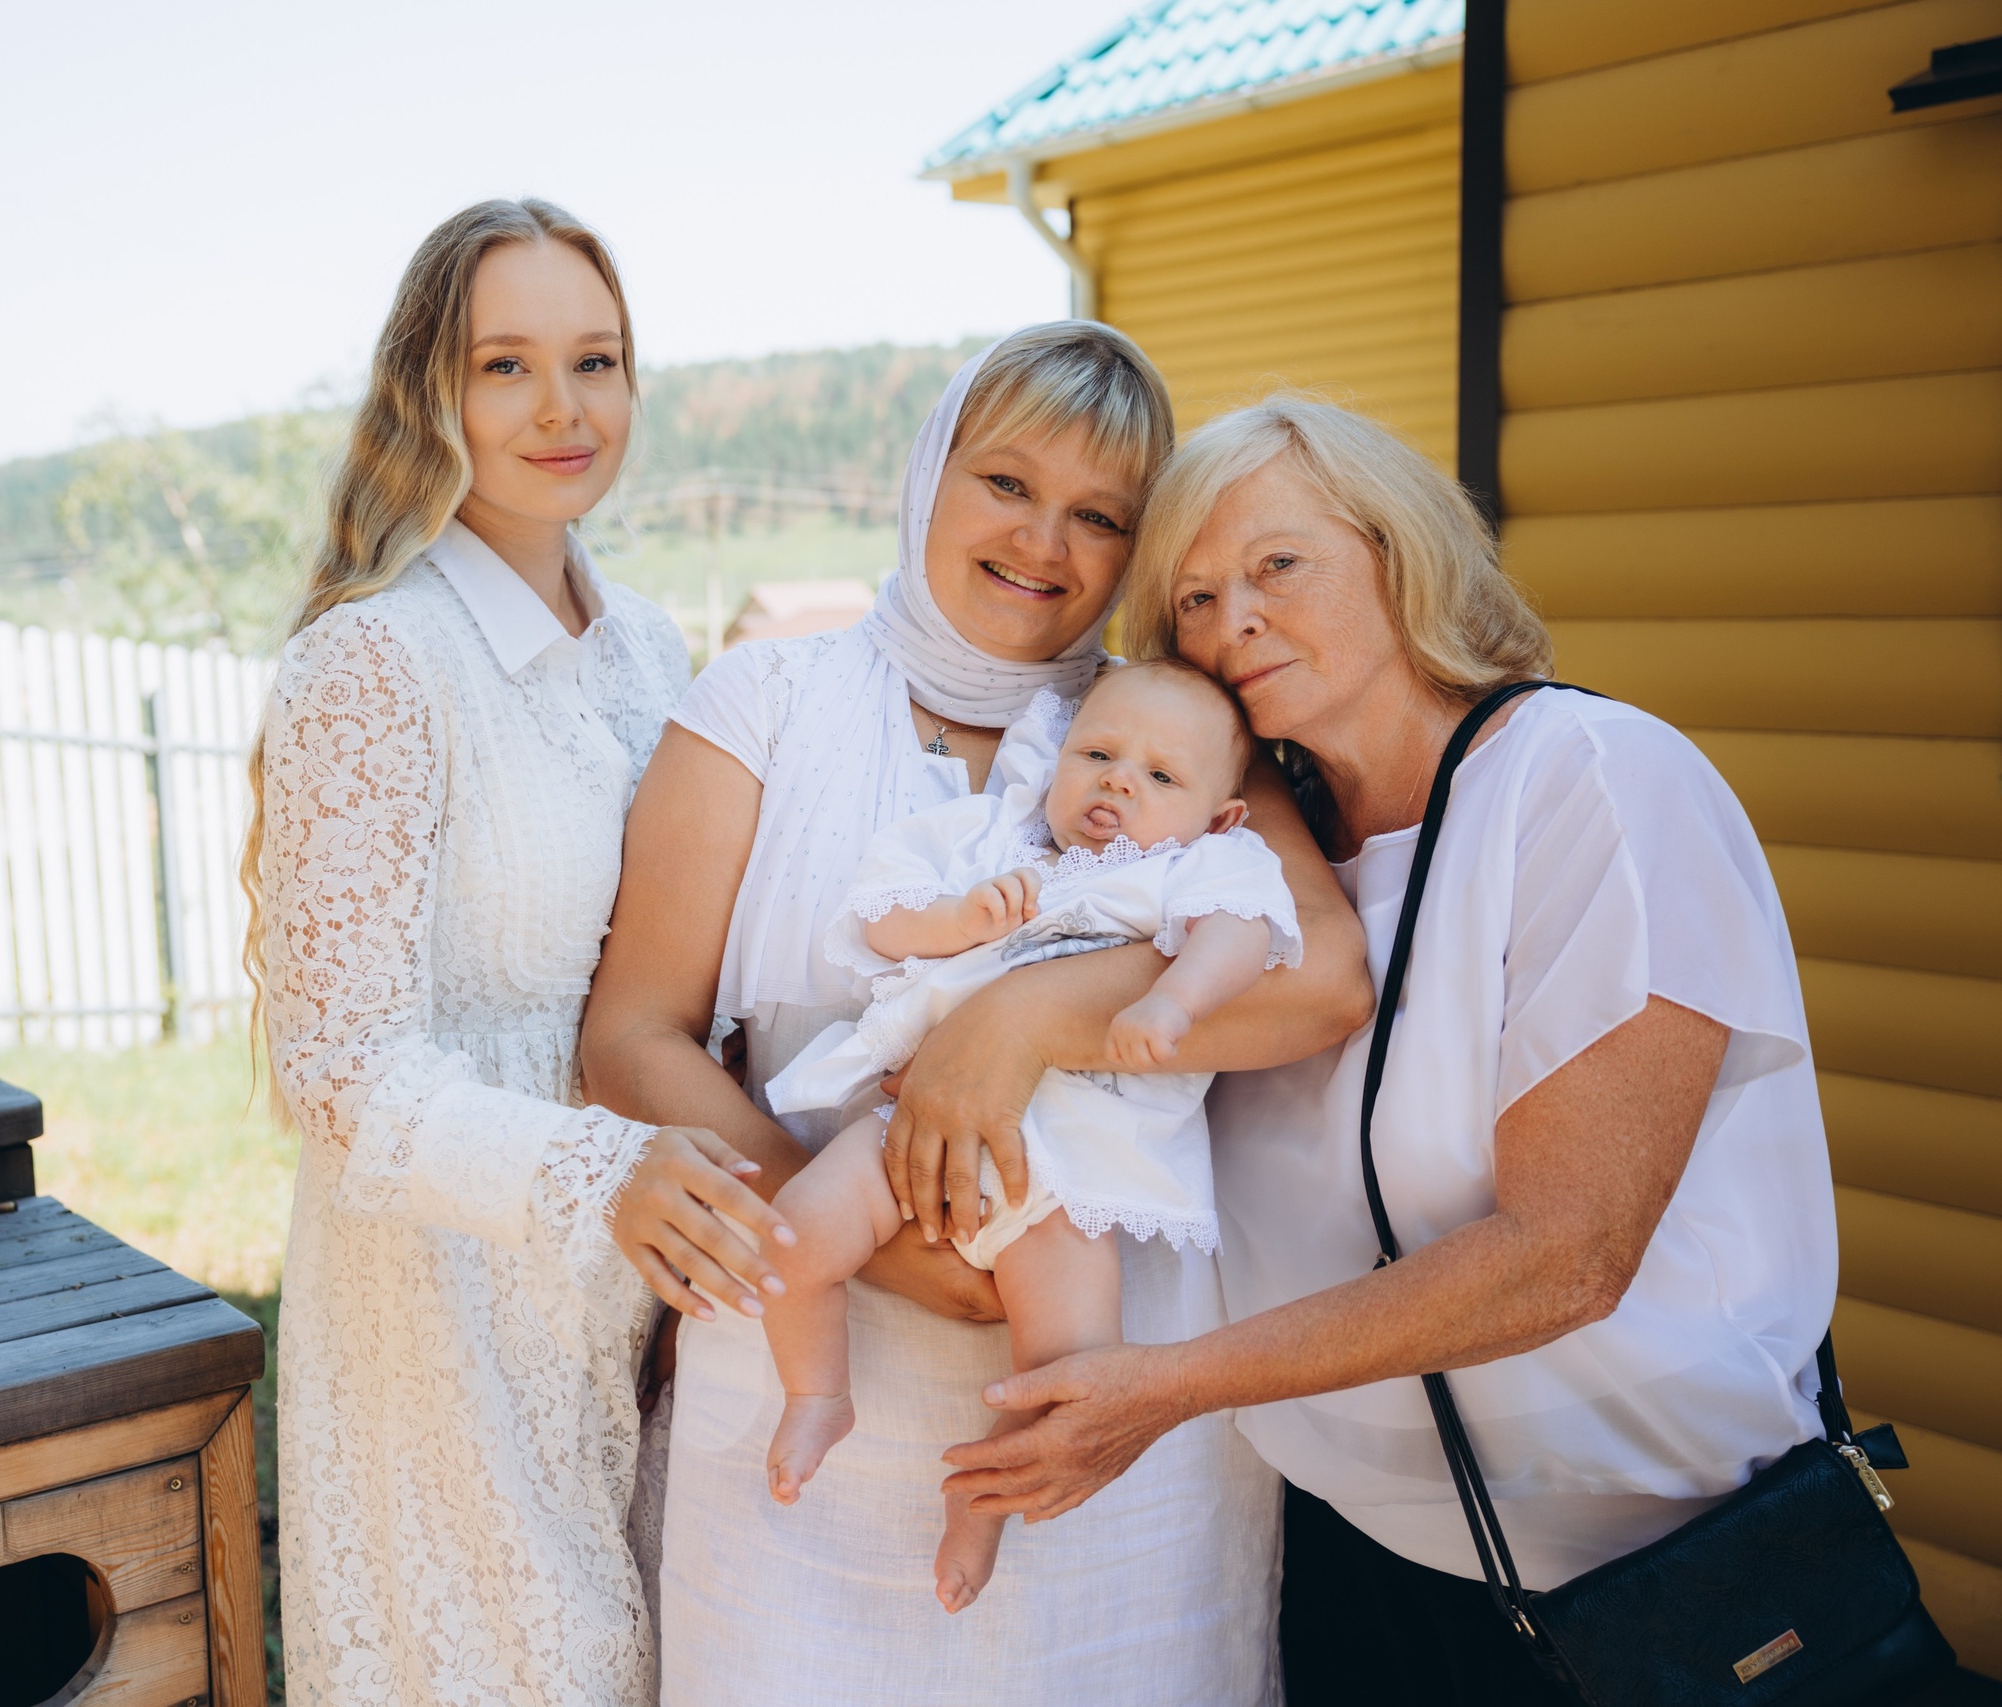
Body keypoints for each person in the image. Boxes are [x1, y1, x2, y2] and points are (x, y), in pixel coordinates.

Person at [929, 394, 1836, 1705]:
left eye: (1276, 565)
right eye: (1189, 599)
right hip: (1350, 1565)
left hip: (1652, 1580)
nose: (1230, 618)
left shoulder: (1591, 779)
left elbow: (1567, 1252)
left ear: (1398, 550)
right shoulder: (1248, 857)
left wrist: (1167, 1384)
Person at [583, 326, 1375, 1705]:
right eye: (1007, 482)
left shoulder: (1164, 724)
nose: (1045, 541)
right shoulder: (763, 701)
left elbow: (1318, 975)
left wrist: (1022, 1018)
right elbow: (633, 1036)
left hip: (1105, 1397)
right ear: (929, 469)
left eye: (1101, 514)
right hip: (805, 1344)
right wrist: (880, 1241)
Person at [253, 198, 796, 1707]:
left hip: (642, 1294)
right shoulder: (374, 658)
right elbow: (340, 1070)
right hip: (448, 1301)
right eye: (508, 365)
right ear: (433, 387)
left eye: (598, 360)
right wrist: (591, 1178)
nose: (564, 408)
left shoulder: (652, 653)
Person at [758, 660, 1303, 1614]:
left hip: (1070, 1170)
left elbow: (1243, 934)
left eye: (1161, 776)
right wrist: (955, 917)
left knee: (1067, 1367)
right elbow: (878, 912)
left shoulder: (1202, 866)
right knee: (797, 1232)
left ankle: (981, 1506)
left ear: (1219, 815)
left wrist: (1175, 999)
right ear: (1057, 760)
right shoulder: (991, 838)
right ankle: (815, 1392)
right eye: (1096, 753)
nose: (1119, 780)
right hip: (917, 1121)